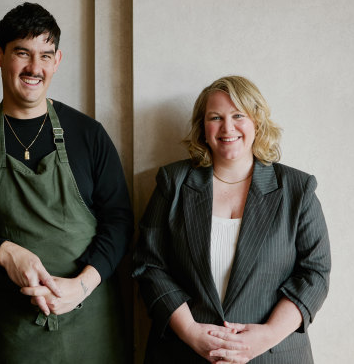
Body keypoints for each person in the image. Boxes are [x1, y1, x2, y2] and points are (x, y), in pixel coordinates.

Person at [0, 2, 133, 363]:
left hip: (94, 323)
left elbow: (120, 221)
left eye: (45, 55)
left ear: (57, 60)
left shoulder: (88, 135)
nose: (34, 68)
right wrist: (5, 253)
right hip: (19, 331)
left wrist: (82, 285)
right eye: (22, 53)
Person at [133, 76, 331, 363]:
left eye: (239, 115)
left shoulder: (297, 189)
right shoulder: (173, 182)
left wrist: (267, 335)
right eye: (216, 117)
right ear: (203, 127)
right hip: (183, 353)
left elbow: (315, 272)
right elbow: (149, 264)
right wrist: (190, 331)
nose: (228, 128)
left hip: (273, 355)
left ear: (257, 122)